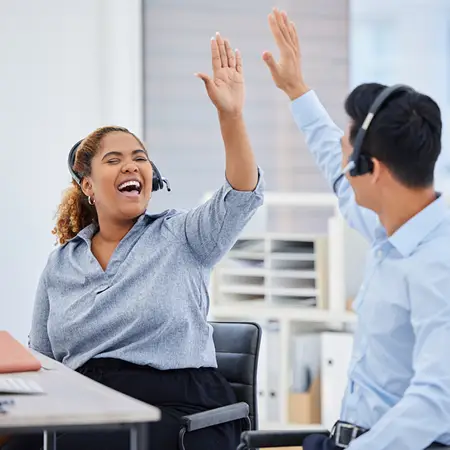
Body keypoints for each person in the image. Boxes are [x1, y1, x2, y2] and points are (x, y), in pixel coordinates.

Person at [4, 33, 264, 450]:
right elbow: (44, 360)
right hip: (88, 405)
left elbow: (241, 196)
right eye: (115, 159)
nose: (132, 165)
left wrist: (230, 116)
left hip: (182, 410)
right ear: (87, 185)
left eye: (140, 157)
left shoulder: (182, 236)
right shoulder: (61, 264)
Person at [263, 7, 450, 450]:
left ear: (376, 170)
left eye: (352, 161)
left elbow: (436, 400)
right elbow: (333, 160)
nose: (344, 171)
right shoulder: (389, 226)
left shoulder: (436, 265)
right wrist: (296, 90)